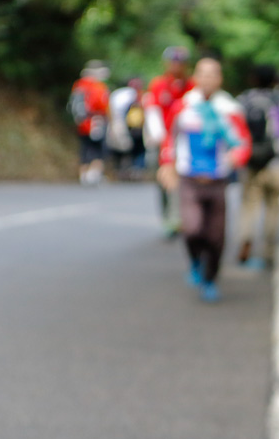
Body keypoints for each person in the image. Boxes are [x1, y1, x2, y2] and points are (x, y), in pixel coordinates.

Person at [162, 57, 251, 302]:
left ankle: (210, 279)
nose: (208, 78)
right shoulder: (184, 107)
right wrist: (167, 165)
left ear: (219, 78)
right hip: (190, 178)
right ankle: (194, 262)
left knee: (215, 237)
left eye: (213, 74)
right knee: (191, 229)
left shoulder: (229, 109)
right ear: (196, 77)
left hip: (218, 180)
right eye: (203, 73)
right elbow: (170, 139)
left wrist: (236, 157)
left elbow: (243, 142)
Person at [236, 64, 279, 269]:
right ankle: (269, 250)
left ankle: (246, 237)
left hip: (251, 162)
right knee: (273, 208)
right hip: (276, 163)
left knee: (248, 206)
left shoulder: (244, 100)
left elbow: (236, 130)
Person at [144, 46, 193, 237]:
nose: (176, 65)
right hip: (163, 141)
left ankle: (180, 217)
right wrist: (160, 139)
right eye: (173, 61)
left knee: (184, 180)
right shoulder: (158, 85)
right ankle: (168, 218)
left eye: (180, 62)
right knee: (164, 181)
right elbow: (152, 112)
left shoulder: (191, 85)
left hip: (185, 141)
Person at [68, 60, 110, 185]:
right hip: (96, 122)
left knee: (84, 147)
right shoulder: (98, 86)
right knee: (99, 148)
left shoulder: (79, 85)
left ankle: (83, 174)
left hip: (82, 122)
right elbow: (103, 105)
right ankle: (95, 173)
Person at [107, 76, 145, 179]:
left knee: (125, 148)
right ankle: (134, 169)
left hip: (123, 124)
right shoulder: (133, 95)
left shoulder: (120, 94)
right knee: (134, 148)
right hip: (131, 126)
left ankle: (123, 170)